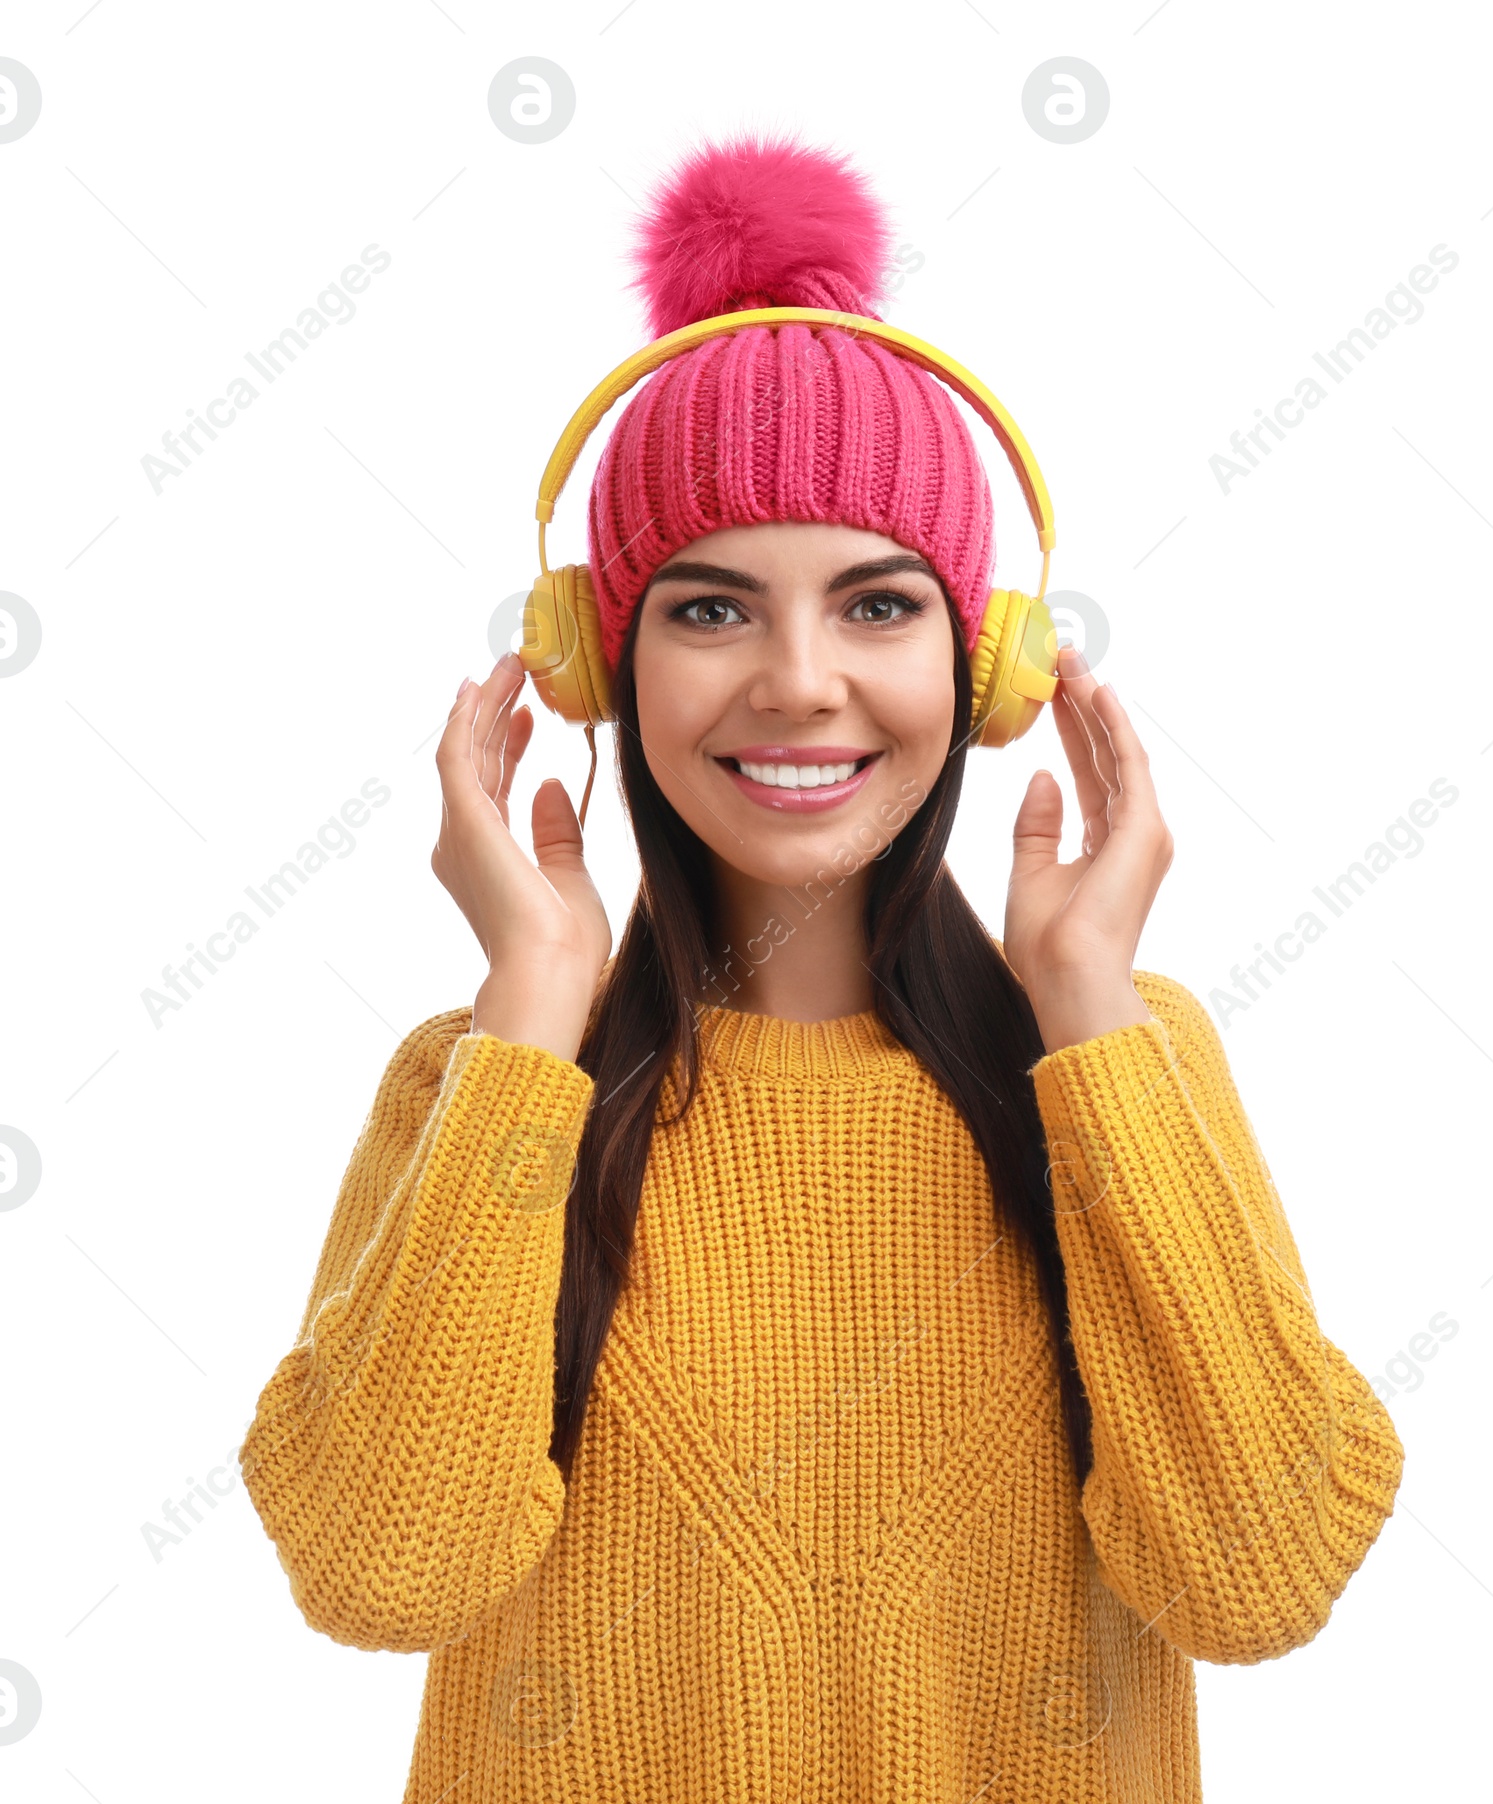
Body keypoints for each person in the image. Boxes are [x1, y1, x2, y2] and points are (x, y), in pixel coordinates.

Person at [239, 131, 1404, 1802]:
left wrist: (1086, 1002)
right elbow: (377, 1577)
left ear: (991, 663)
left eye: (877, 607)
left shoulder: (1127, 1070)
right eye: (709, 612)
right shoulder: (481, 1080)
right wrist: (534, 1010)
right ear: (595, 662)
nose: (798, 683)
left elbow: (1260, 1579)